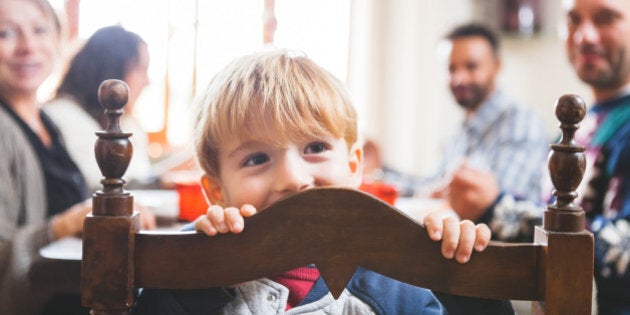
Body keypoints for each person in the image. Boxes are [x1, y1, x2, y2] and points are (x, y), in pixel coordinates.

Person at [131, 49, 514, 314]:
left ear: (354, 167)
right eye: (257, 158)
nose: (293, 179)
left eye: (315, 147)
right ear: (217, 192)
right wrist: (200, 271)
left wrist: (465, 282)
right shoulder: (188, 265)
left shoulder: (397, 279)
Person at [446, 0, 630, 313]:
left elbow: (622, 248)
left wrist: (497, 208)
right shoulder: (579, 127)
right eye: (573, 20)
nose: (584, 35)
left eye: (605, 18)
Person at [0, 3, 155, 314]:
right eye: (5, 33)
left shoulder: (46, 121)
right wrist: (64, 224)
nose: (28, 46)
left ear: (58, 40)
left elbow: (83, 192)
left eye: (40, 30)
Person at [44, 25, 155, 191]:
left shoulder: (126, 123)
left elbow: (140, 175)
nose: (147, 82)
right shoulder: (63, 117)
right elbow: (99, 183)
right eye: (140, 69)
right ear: (111, 70)